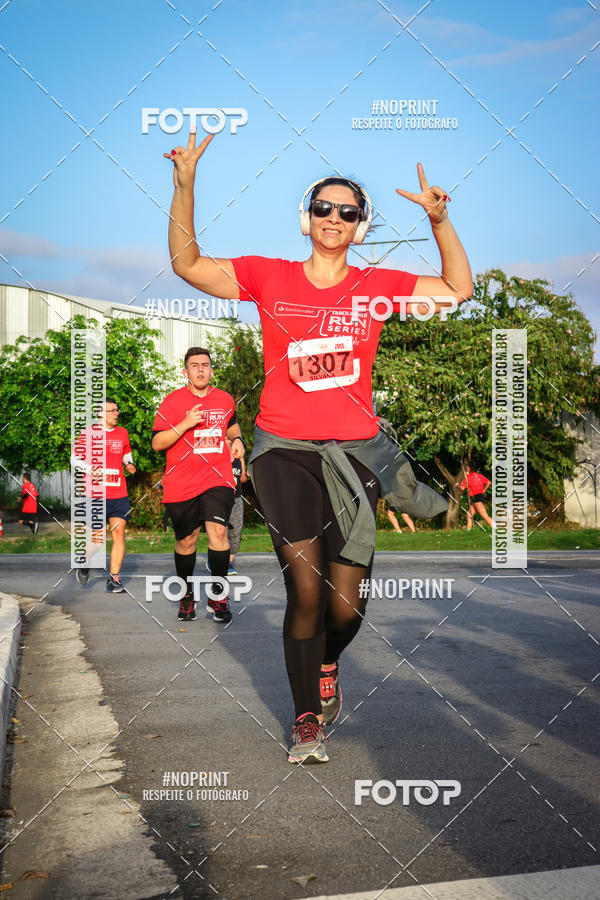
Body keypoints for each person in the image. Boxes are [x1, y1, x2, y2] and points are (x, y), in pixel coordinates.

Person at [165, 130, 473, 763]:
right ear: (306, 220)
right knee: (304, 591)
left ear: (360, 228)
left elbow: (456, 290)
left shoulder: (378, 286)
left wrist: (441, 222)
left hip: (354, 453)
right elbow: (187, 265)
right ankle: (307, 719)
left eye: (349, 212)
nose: (335, 218)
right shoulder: (268, 277)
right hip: (283, 451)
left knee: (346, 604)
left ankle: (329, 661)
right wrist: (185, 185)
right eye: (324, 209)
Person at [152, 347, 244, 623]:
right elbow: (158, 443)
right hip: (181, 483)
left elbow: (232, 426)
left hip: (217, 478)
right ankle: (186, 596)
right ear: (186, 372)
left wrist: (238, 440)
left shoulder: (224, 399)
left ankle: (218, 596)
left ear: (211, 370)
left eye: (205, 365)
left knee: (218, 532)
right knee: (186, 540)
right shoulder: (172, 402)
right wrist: (187, 422)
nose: (201, 369)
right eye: (195, 365)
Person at [72, 399, 136, 591]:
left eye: (117, 410)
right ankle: (84, 562)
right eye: (112, 411)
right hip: (96, 494)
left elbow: (126, 452)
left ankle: (114, 579)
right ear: (101, 413)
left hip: (119, 492)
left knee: (119, 534)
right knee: (97, 541)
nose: (116, 413)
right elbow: (75, 459)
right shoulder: (89, 433)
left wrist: (129, 464)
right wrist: (91, 470)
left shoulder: (122, 433)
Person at [225, 437, 246, 575]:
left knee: (235, 532)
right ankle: (221, 562)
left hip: (236, 498)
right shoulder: (218, 455)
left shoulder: (239, 456)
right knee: (220, 531)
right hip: (220, 497)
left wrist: (247, 474)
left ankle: (228, 561)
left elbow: (242, 478)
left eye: (230, 440)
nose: (228, 442)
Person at [456, 464, 495, 529]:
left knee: (484, 515)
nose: (466, 468)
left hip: (476, 498)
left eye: (467, 467)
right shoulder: (480, 476)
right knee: (469, 515)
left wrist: (457, 486)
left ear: (470, 468)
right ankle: (468, 531)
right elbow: (489, 482)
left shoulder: (467, 477)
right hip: (479, 496)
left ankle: (496, 528)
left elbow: (462, 488)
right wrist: (484, 490)